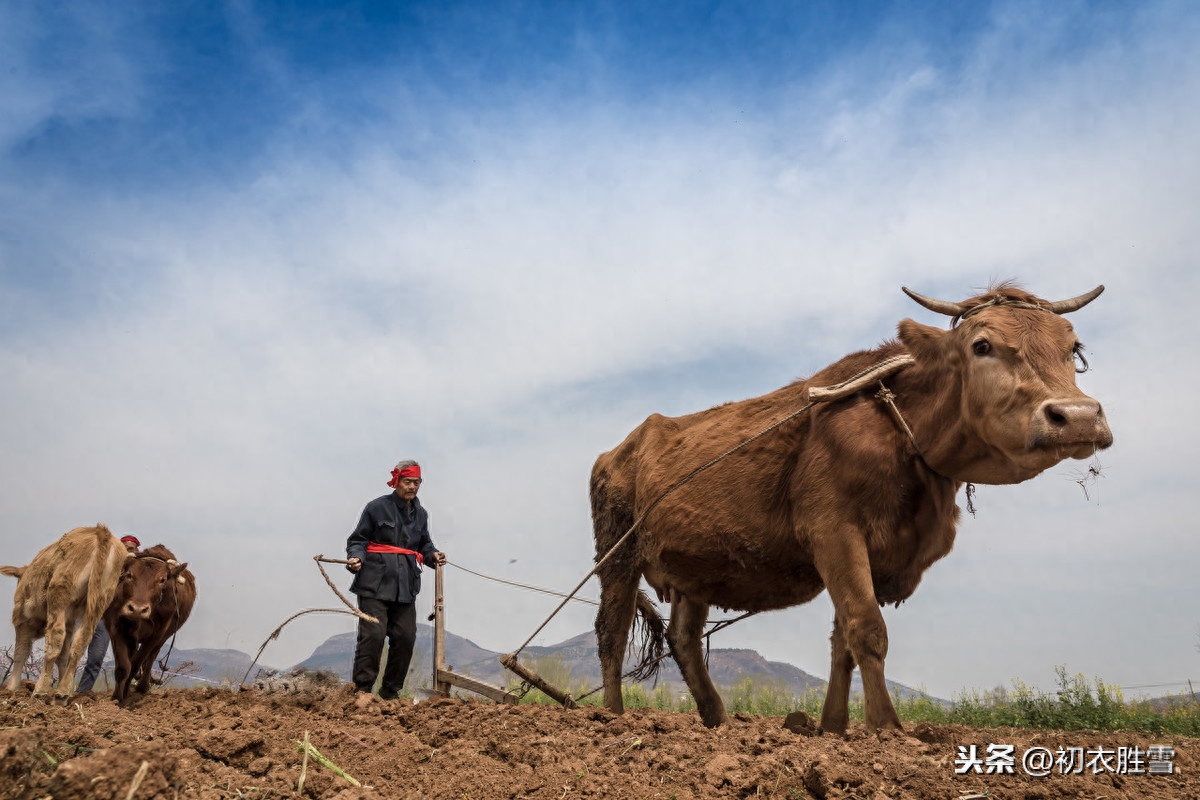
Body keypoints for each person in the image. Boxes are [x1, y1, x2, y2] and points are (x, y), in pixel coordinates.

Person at [346, 460, 445, 698]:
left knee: (405, 637)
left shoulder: (421, 514)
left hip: (405, 588)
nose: (412, 487)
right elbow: (358, 540)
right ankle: (363, 691)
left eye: (416, 482)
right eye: (407, 482)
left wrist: (433, 555)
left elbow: (423, 544)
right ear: (397, 481)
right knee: (374, 635)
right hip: (374, 585)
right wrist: (355, 558)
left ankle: (390, 693)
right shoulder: (376, 508)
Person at [76, 534, 141, 692]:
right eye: (124, 549)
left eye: (131, 549)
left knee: (96, 659)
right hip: (86, 613)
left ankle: (82, 693)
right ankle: (58, 690)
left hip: (106, 620)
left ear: (137, 551)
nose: (127, 552)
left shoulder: (139, 577)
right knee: (70, 652)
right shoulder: (104, 566)